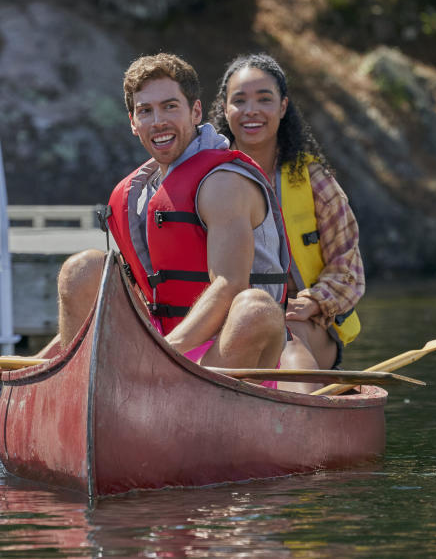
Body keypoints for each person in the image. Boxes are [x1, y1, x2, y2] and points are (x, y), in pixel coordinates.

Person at [40, 53, 291, 374]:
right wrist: (38, 364)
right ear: (133, 122)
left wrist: (163, 353)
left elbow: (230, 285)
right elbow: (129, 294)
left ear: (195, 111)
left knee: (254, 309)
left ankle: (187, 395)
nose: (158, 121)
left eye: (170, 106)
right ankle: (68, 379)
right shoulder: (141, 192)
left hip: (226, 350)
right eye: (145, 111)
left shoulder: (224, 182)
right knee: (83, 268)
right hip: (162, 344)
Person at [208, 53, 365, 374]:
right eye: (239, 101)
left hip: (302, 319)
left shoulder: (315, 180)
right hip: (230, 319)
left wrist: (315, 301)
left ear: (282, 107)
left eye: (264, 99)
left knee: (289, 345)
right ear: (225, 109)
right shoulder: (206, 180)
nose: (251, 111)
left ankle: (301, 417)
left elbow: (347, 265)